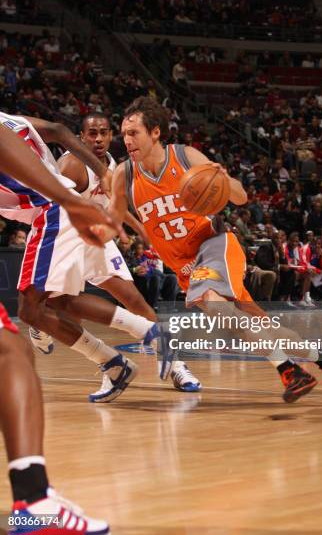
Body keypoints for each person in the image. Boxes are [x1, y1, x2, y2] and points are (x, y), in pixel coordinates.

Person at [109, 97, 322, 403]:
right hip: (185, 268)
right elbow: (112, 216)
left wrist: (223, 179)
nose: (127, 140)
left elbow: (241, 198)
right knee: (251, 327)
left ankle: (290, 371)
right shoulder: (124, 174)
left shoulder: (185, 156)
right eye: (123, 133)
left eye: (133, 132)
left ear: (156, 132)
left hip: (213, 246)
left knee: (217, 306)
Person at [30, 112, 200, 392]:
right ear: (81, 137)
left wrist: (143, 230)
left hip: (96, 237)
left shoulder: (110, 165)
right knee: (66, 311)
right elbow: (49, 209)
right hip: (64, 236)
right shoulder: (72, 165)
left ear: (111, 136)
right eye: (92, 133)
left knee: (133, 298)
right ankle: (97, 358)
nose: (98, 138)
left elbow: (115, 206)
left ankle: (177, 366)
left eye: (104, 133)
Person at [0, 124, 110, 534]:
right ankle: (32, 501)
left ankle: (33, 499)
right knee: (15, 344)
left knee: (16, 344)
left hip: (55, 211)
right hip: (55, 209)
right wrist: (70, 200)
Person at [0, 110, 140, 403]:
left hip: (53, 213)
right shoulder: (10, 119)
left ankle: (128, 352)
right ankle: (116, 360)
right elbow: (59, 129)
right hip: (64, 212)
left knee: (33, 309)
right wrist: (102, 172)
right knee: (40, 307)